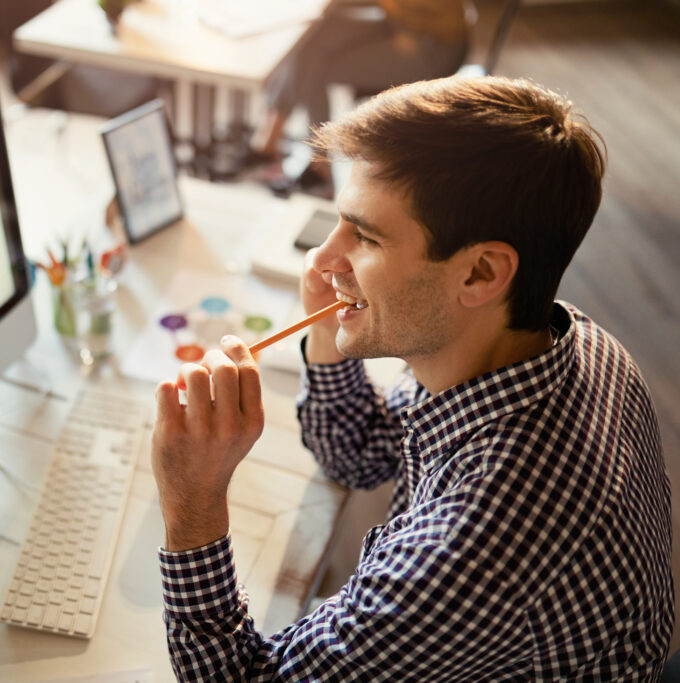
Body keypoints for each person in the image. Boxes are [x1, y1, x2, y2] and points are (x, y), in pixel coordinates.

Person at [151, 76, 674, 680]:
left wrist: (191, 501)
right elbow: (359, 455)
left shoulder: (476, 551)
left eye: (365, 236)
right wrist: (332, 324)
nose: (321, 260)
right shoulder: (562, 344)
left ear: (480, 272)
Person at [251, 0, 470, 195]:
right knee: (311, 40)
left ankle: (314, 163)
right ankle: (274, 136)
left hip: (431, 44)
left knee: (315, 65)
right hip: (397, 23)